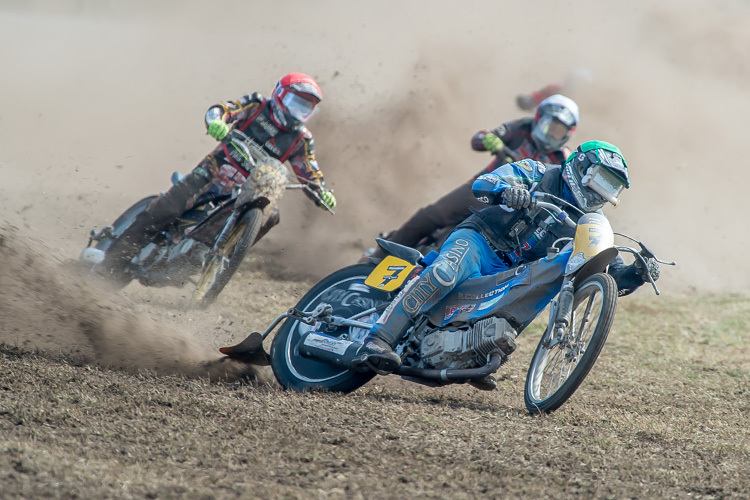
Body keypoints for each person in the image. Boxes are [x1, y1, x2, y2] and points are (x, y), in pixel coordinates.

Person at [359, 141, 660, 389]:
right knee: (443, 273)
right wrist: (508, 191)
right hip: (481, 242)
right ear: (582, 168)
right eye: (601, 181)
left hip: (513, 271)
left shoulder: (591, 224)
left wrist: (636, 273)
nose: (602, 193)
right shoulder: (538, 171)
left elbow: (606, 274)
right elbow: (486, 181)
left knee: (538, 288)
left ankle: (473, 352)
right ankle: (378, 338)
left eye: (612, 189)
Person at [96, 72, 336, 284]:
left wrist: (321, 192)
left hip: (249, 191)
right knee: (165, 210)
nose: (297, 113)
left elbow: (309, 169)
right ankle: (108, 264)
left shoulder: (302, 139)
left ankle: (220, 256)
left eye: (305, 108)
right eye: (295, 103)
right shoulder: (257, 104)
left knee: (272, 216)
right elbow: (222, 109)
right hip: (212, 173)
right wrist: (216, 122)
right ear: (280, 95)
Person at [365, 94, 579, 260]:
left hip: (513, 210)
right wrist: (490, 140)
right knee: (432, 215)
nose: (552, 135)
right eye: (550, 127)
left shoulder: (562, 159)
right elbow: (478, 138)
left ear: (568, 134)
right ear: (540, 119)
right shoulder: (521, 127)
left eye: (559, 132)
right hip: (482, 187)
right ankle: (377, 258)